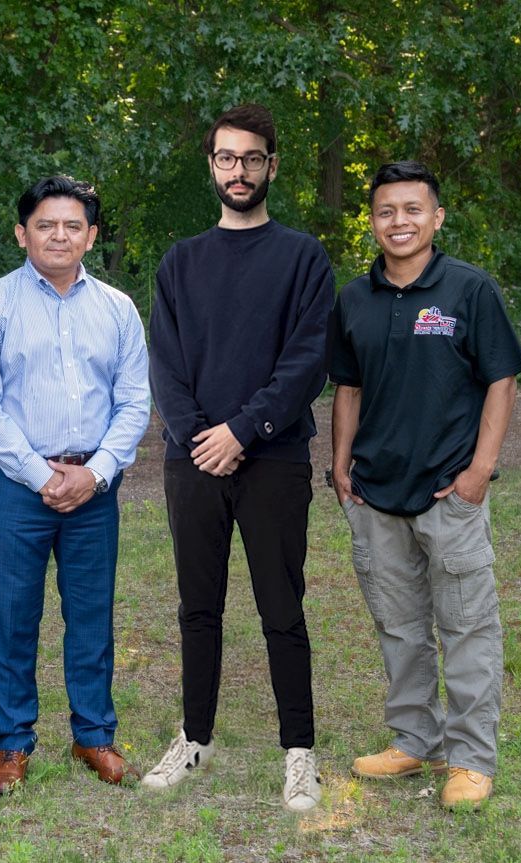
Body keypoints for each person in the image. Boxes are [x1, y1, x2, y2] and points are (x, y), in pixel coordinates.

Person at [143, 104, 333, 811]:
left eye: (253, 158)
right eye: (227, 158)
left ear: (271, 166)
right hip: (193, 459)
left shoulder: (303, 257)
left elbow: (308, 357)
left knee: (281, 606)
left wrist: (244, 430)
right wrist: (203, 436)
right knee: (199, 606)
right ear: (212, 167)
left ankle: (300, 751)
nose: (239, 170)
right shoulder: (180, 263)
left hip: (275, 457)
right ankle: (194, 736)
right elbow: (166, 362)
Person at [329, 161, 521, 810]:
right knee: (399, 626)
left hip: (449, 491)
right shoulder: (354, 298)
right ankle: (415, 738)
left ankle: (470, 758)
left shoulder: (470, 291)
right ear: (373, 220)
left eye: (413, 210)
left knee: (467, 626)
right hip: (376, 493)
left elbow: (501, 379)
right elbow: (348, 386)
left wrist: (478, 470)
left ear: (437, 218)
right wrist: (339, 460)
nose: (400, 222)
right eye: (386, 211)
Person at [0, 175, 150, 795]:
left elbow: (135, 403)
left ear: (90, 236)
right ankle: (12, 743)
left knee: (91, 614)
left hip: (94, 486)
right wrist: (44, 476)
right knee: (14, 615)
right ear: (22, 233)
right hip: (16, 485)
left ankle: (93, 735)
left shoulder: (117, 309)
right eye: (46, 224)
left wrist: (93, 474)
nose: (59, 235)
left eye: (73, 225)